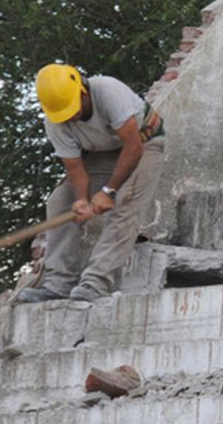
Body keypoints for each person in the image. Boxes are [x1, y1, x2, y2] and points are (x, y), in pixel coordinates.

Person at [15, 63, 165, 303]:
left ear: (82, 90)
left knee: (126, 202)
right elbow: (75, 167)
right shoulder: (54, 123)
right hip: (102, 154)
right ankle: (59, 283)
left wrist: (109, 191)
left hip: (144, 142)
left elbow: (133, 145)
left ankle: (96, 283)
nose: (70, 117)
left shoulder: (107, 91)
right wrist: (82, 200)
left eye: (72, 109)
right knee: (60, 201)